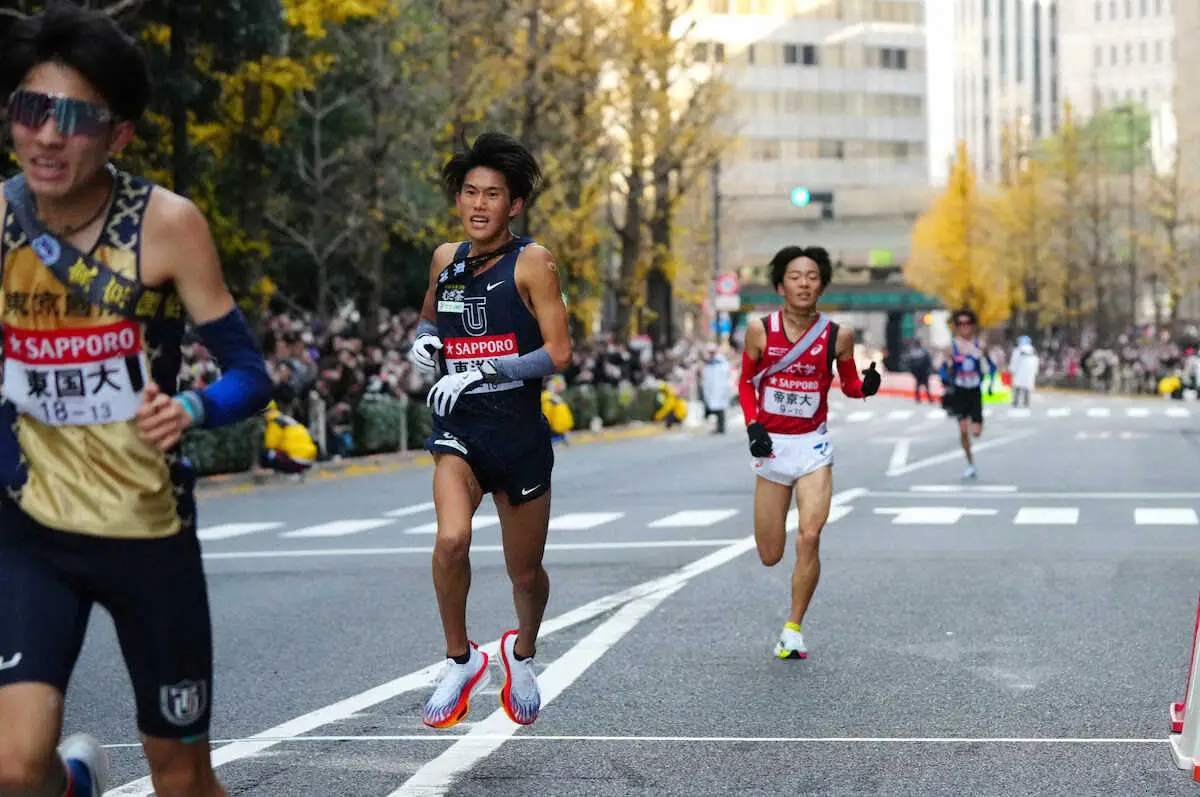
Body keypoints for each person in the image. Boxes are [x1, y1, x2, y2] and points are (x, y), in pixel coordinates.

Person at [0, 6, 273, 797]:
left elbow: (251, 372)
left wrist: (194, 409)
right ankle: (71, 781)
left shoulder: (168, 224)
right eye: (29, 109)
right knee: (14, 767)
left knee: (182, 777)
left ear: (117, 135)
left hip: (146, 531)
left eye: (75, 118)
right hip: (31, 527)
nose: (47, 136)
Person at [407, 132, 571, 729]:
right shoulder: (444, 259)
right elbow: (427, 319)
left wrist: (483, 367)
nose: (478, 204)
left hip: (519, 431)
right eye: (469, 192)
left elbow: (558, 353)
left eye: (492, 194)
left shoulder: (533, 262)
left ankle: (520, 652)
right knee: (451, 539)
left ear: (515, 204)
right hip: (461, 427)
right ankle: (460, 659)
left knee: (524, 573)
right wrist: (425, 344)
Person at [738, 246, 880, 660]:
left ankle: (793, 628)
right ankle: (790, 621)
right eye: (795, 276)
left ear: (822, 284)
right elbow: (746, 383)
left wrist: (866, 387)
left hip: (813, 446)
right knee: (769, 554)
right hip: (772, 447)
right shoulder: (760, 331)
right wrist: (753, 426)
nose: (804, 283)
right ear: (781, 285)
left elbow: (850, 385)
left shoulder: (838, 336)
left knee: (810, 536)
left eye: (813, 276)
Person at [938, 308, 997, 480]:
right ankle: (971, 463)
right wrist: (946, 377)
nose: (964, 327)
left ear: (973, 326)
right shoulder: (951, 347)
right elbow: (943, 370)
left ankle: (974, 426)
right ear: (955, 327)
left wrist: (990, 384)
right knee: (963, 430)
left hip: (975, 390)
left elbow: (991, 366)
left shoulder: (980, 345)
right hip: (960, 390)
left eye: (967, 323)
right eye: (960, 324)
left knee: (976, 432)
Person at [701, 344, 732, 434]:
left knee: (720, 410)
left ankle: (721, 427)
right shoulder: (709, 363)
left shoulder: (721, 362)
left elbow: (724, 375)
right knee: (715, 408)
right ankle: (718, 427)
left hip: (720, 389)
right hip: (713, 390)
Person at [1009, 335, 1039, 408]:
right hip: (1029, 373)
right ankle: (1026, 402)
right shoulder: (1033, 350)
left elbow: (1014, 361)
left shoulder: (1018, 350)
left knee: (1017, 387)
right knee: (1027, 387)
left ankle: (1016, 402)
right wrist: (1035, 371)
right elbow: (1036, 361)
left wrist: (1012, 369)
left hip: (1019, 372)